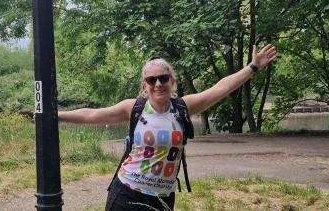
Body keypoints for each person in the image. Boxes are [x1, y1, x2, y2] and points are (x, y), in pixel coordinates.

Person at [58, 44, 276, 210]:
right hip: (127, 193)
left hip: (163, 197)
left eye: (163, 78)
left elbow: (221, 88)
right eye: (151, 80)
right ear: (145, 85)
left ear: (172, 81)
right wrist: (55, 116)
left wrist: (252, 67)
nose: (158, 84)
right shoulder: (134, 108)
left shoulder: (182, 107)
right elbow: (92, 114)